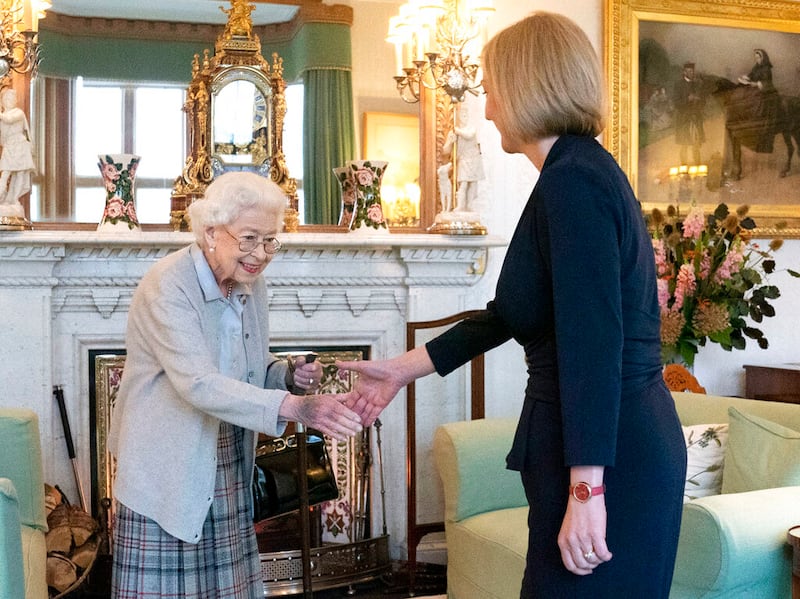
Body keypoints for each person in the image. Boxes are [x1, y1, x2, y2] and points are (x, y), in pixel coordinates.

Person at [340, 12, 686, 598]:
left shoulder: (573, 180)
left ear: (528, 85)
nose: (489, 104)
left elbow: (593, 343)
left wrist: (587, 491)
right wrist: (400, 369)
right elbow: (510, 313)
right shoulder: (570, 173)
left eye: (492, 85)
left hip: (613, 456)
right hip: (600, 447)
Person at [108, 171, 363, 599]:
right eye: (248, 238)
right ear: (211, 232)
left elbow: (246, 364)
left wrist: (285, 374)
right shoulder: (167, 285)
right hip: (167, 466)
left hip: (225, 457)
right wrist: (295, 407)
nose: (260, 254)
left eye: (270, 240)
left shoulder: (249, 284)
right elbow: (199, 383)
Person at [441, 102, 485, 212]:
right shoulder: (454, 132)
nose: (463, 118)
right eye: (461, 115)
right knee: (463, 183)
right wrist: (450, 142)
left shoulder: (470, 129)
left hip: (474, 159)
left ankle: (469, 205)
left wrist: (458, 131)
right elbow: (445, 151)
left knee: (473, 185)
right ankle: (460, 206)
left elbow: (469, 135)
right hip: (464, 160)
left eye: (465, 115)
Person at [0, 88, 35, 206]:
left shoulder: (18, 113)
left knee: (20, 173)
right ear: (3, 101)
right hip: (9, 146)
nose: (10, 100)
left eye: (12, 98)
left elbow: (9, 120)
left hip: (20, 145)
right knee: (5, 172)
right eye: (7, 98)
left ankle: (14, 199)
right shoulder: (3, 115)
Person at [673, 62, 705, 165]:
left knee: (696, 144)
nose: (692, 73)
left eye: (692, 71)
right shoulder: (678, 85)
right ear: (684, 72)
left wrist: (699, 100)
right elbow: (676, 103)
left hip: (695, 118)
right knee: (684, 144)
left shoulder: (697, 84)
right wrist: (688, 99)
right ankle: (684, 167)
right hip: (683, 119)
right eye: (689, 71)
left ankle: (698, 165)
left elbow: (703, 101)